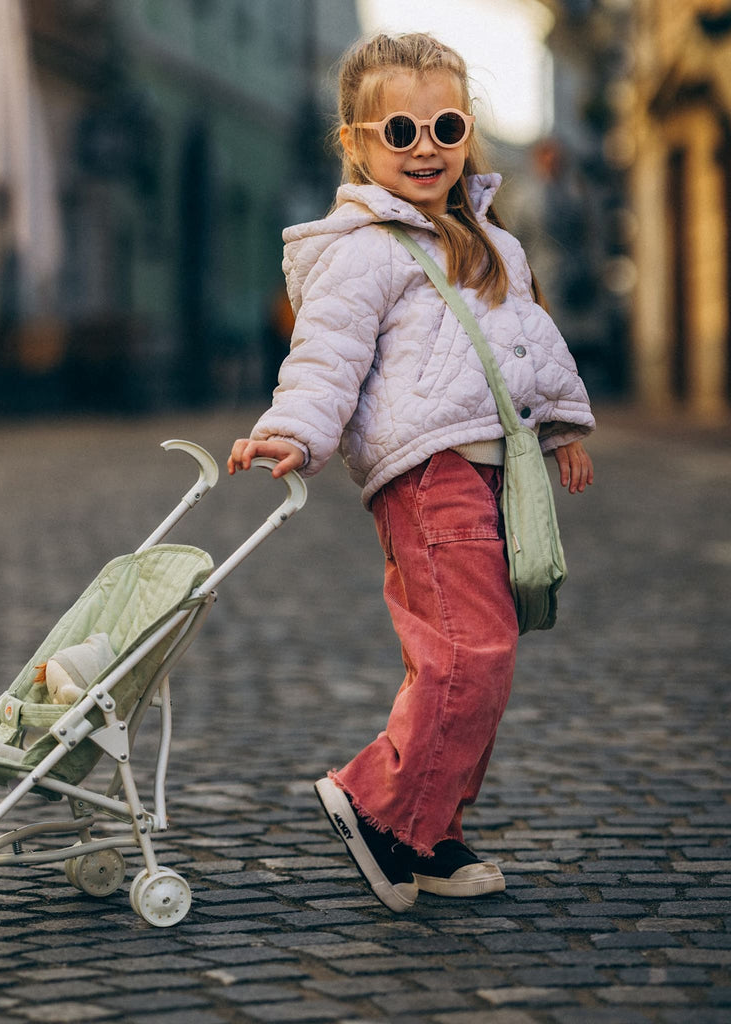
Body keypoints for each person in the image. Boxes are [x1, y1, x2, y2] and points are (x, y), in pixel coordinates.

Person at [227, 32, 595, 913]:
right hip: (425, 477)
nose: (425, 145)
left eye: (445, 124)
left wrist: (564, 425)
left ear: (468, 132)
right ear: (356, 144)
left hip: (493, 471)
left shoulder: (492, 244)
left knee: (481, 656)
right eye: (400, 129)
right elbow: (324, 355)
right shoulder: (363, 249)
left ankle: (431, 828)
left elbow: (531, 341)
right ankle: (378, 802)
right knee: (468, 650)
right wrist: (291, 430)